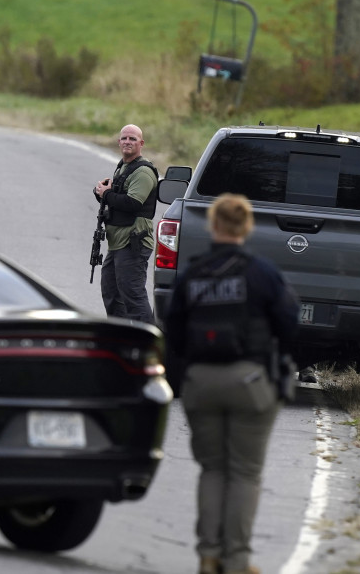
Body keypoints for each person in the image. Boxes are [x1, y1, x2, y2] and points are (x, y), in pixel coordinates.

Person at [163, 193, 299, 574]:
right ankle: (237, 560)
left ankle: (208, 555)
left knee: (212, 470)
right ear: (247, 226)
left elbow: (172, 332)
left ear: (213, 225)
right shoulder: (263, 273)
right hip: (250, 380)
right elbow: (289, 323)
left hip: (201, 381)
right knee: (244, 472)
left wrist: (182, 379)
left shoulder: (192, 273)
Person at [93, 124, 159, 325]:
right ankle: (120, 340)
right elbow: (117, 201)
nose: (127, 142)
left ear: (141, 143)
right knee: (112, 293)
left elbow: (132, 203)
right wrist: (101, 193)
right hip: (118, 243)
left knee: (133, 296)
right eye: (124, 138)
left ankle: (148, 344)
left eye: (132, 139)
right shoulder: (123, 167)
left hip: (133, 243)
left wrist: (107, 194)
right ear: (119, 142)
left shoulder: (143, 172)